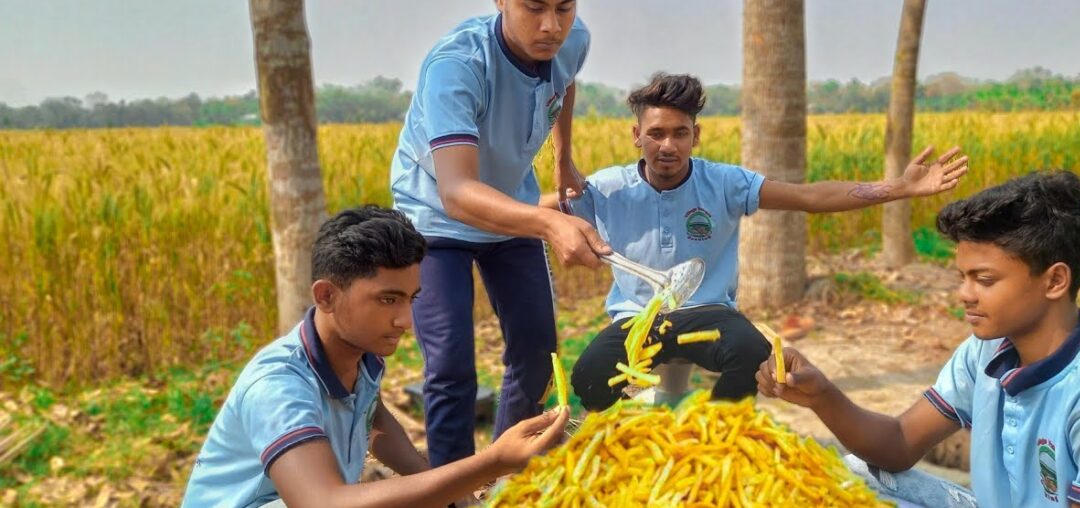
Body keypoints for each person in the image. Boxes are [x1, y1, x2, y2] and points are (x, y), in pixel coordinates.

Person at [554, 73, 969, 411]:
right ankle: (629, 445)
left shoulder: (725, 182)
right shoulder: (608, 187)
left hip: (708, 312)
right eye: (656, 133)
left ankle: (714, 443)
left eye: (680, 133)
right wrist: (545, 222)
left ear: (695, 136)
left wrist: (898, 187)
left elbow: (809, 197)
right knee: (588, 380)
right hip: (635, 320)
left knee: (752, 352)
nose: (668, 145)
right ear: (636, 136)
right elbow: (543, 210)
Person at [757, 171, 1080, 507]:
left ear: (1055, 280)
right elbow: (899, 443)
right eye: (962, 277)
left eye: (984, 280)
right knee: (843, 476)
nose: (964, 294)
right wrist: (822, 395)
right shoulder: (986, 352)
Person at [182, 206, 569, 508]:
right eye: (388, 299)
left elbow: (376, 420)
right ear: (326, 296)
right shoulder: (279, 387)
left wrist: (456, 494)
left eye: (411, 299)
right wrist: (492, 462)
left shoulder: (359, 356)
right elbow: (321, 502)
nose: (405, 320)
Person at [389, 0, 611, 468]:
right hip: (437, 216)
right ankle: (453, 489)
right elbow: (457, 191)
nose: (551, 26)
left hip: (511, 203)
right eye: (534, 8)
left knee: (537, 349)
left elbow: (564, 83)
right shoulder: (457, 66)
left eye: (564, 8)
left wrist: (562, 155)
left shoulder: (574, 39)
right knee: (450, 365)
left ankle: (505, 474)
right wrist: (551, 222)